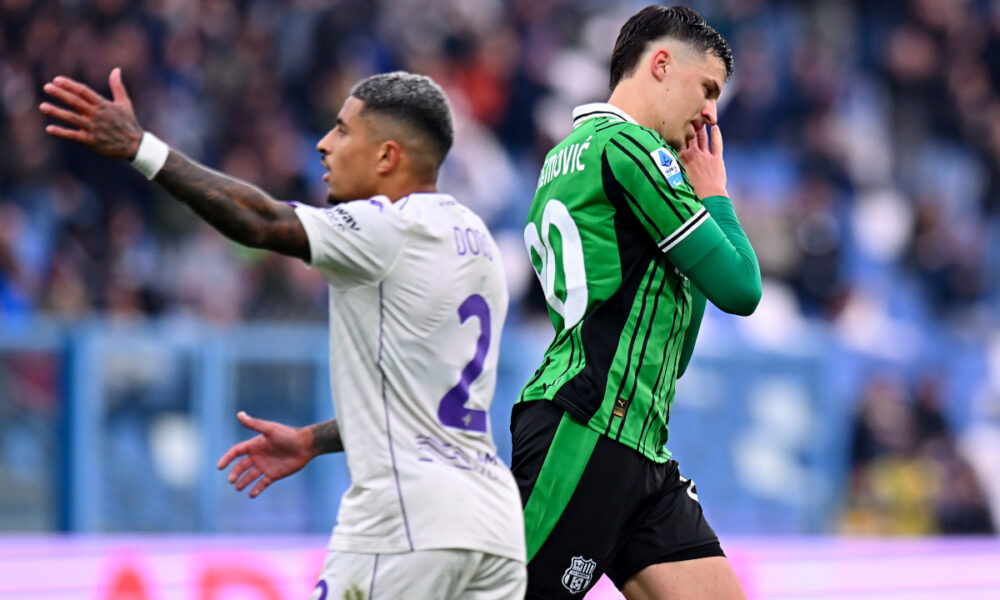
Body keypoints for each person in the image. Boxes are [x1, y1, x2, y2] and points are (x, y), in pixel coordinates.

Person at [40, 69, 526, 599]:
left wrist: (142, 148)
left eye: (342, 131)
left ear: (387, 157)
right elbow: (421, 404)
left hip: (408, 517)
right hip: (493, 525)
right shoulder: (476, 239)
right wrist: (312, 440)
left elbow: (262, 222)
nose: (322, 145)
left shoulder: (387, 227)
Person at [513, 5, 760, 599]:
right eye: (707, 89)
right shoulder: (632, 150)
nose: (709, 112)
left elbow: (684, 315)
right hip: (588, 430)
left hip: (638, 444)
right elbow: (740, 289)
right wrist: (716, 197)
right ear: (661, 64)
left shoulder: (570, 153)